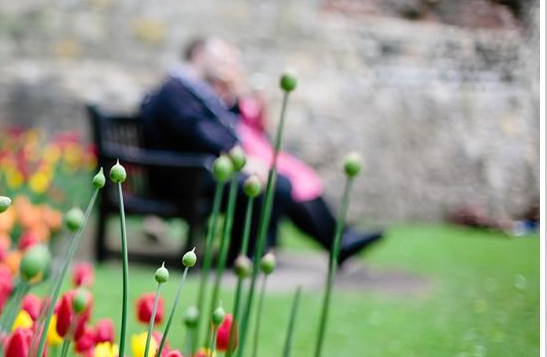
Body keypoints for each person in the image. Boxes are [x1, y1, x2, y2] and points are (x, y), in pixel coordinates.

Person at [140, 37, 382, 264]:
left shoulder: (196, 90)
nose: (227, 65)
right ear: (199, 55)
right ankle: (248, 255)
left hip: (202, 171)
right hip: (182, 177)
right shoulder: (175, 89)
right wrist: (241, 159)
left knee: (279, 181)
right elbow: (198, 132)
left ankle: (264, 250)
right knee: (273, 184)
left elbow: (224, 128)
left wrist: (235, 100)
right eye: (220, 58)